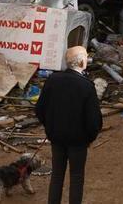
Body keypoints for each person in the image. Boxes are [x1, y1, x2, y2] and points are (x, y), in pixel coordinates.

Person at [34, 45, 102, 204]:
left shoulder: (52, 80)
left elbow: (39, 109)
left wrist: (50, 128)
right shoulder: (87, 86)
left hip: (56, 138)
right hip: (78, 141)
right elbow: (93, 120)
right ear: (81, 62)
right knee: (76, 178)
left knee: (57, 175)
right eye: (85, 56)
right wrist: (90, 138)